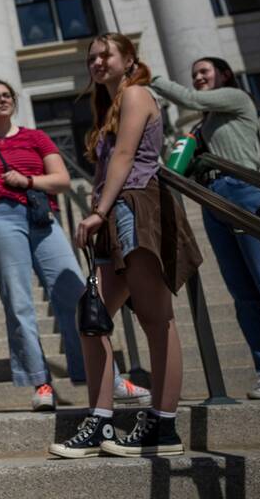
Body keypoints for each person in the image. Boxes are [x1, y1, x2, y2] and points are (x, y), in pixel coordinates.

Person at [50, 33, 202, 460]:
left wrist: (97, 210)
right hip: (114, 216)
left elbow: (125, 157)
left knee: (156, 318)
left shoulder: (136, 93)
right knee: (92, 317)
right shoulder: (110, 104)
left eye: (105, 55)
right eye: (91, 58)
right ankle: (99, 418)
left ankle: (163, 424)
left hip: (134, 206)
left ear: (128, 58)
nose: (97, 62)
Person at [152, 57, 260, 400]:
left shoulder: (235, 98)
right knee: (244, 297)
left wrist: (153, 79)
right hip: (214, 197)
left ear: (223, 75)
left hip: (246, 190)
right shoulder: (205, 125)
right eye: (194, 74)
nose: (199, 77)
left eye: (204, 72)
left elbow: (191, 100)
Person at [0, 79, 86, 411]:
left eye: (7, 95)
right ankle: (41, 382)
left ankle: (98, 371)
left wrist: (28, 181)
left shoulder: (35, 137)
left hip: (42, 216)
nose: (1, 100)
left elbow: (62, 180)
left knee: (74, 294)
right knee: (19, 303)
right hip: (1, 218)